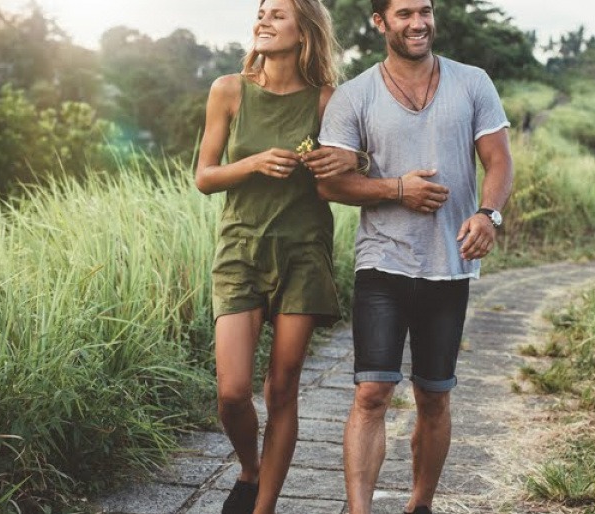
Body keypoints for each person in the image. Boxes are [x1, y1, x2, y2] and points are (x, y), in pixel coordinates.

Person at [302, 0, 514, 512]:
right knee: (371, 393)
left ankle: (419, 505)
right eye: (404, 14)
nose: (418, 23)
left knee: (434, 397)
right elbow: (331, 185)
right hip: (382, 264)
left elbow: (499, 159)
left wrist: (488, 214)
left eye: (425, 11)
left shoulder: (472, 83)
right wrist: (397, 189)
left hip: (449, 264)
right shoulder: (354, 96)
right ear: (380, 23)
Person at [192, 1, 354, 512]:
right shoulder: (229, 91)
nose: (262, 20)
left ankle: (262, 507)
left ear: (304, 30)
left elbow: (343, 175)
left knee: (282, 390)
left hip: (304, 253)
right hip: (240, 249)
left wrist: (348, 159)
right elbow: (205, 177)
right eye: (261, 12)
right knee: (234, 390)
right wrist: (256, 162)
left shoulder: (328, 101)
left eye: (277, 14)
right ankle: (249, 468)